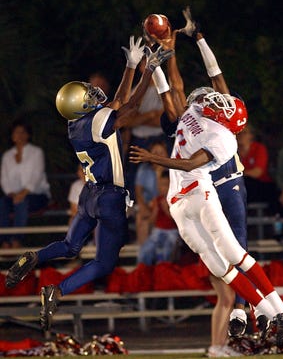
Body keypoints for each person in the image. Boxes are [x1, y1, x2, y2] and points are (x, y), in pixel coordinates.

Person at [130, 9, 283, 352]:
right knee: (218, 262)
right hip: (182, 199)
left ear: (222, 116)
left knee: (235, 249)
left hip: (216, 184)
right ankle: (259, 311)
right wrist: (160, 55)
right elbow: (176, 86)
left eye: (211, 103)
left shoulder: (221, 136)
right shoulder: (192, 114)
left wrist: (153, 159)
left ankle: (266, 312)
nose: (203, 99)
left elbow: (191, 152)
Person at [5, 36, 174, 332]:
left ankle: (34, 256)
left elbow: (118, 103)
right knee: (104, 263)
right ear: (81, 104)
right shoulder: (97, 121)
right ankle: (57, 291)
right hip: (109, 197)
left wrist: (131, 65)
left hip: (89, 196)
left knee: (71, 246)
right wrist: (148, 70)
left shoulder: (76, 124)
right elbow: (131, 105)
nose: (94, 94)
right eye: (88, 94)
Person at [122, 56, 173, 199]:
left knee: (166, 177)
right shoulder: (135, 91)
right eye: (146, 63)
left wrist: (140, 118)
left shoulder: (165, 89)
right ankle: (137, 210)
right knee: (135, 179)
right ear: (140, 67)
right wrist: (151, 115)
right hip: (139, 141)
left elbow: (165, 120)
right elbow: (126, 121)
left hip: (162, 140)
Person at [0, 119, 51, 248]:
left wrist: (23, 193)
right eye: (17, 132)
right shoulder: (7, 156)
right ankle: (4, 241)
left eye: (23, 132)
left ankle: (17, 240)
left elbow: (37, 175)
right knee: (2, 203)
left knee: (22, 202)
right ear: (12, 136)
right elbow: (4, 179)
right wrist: (12, 194)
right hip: (14, 196)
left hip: (36, 195)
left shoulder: (36, 152)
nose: (20, 135)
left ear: (28, 135)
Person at [138, 170, 179, 265]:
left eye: (166, 185)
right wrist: (155, 210)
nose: (163, 188)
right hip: (158, 231)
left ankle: (163, 270)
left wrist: (167, 210)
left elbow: (178, 222)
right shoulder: (157, 200)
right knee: (145, 251)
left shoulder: (175, 200)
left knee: (166, 252)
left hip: (171, 232)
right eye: (161, 185)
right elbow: (152, 220)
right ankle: (145, 271)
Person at [134, 140, 169, 245]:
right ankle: (143, 254)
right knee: (141, 217)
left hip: (165, 205)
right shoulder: (144, 169)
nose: (157, 156)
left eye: (161, 153)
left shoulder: (171, 170)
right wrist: (143, 206)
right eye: (155, 153)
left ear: (166, 154)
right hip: (148, 204)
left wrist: (159, 172)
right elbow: (138, 191)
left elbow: (163, 193)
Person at [237, 123, 275, 207]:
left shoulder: (259, 148)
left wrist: (239, 174)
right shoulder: (233, 150)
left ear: (251, 135)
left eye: (245, 133)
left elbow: (257, 172)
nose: (241, 135)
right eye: (239, 133)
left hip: (260, 185)